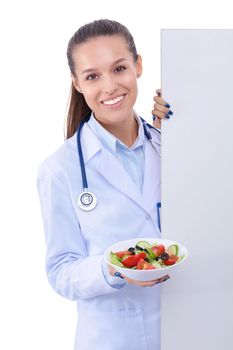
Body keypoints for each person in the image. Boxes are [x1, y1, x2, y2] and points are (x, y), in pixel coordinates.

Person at [37, 19, 173, 350]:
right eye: (93, 76)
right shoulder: (60, 169)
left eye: (120, 68)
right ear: (77, 83)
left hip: (189, 326)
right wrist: (109, 269)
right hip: (113, 340)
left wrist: (187, 130)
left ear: (138, 66)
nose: (110, 86)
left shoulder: (170, 147)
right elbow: (60, 272)